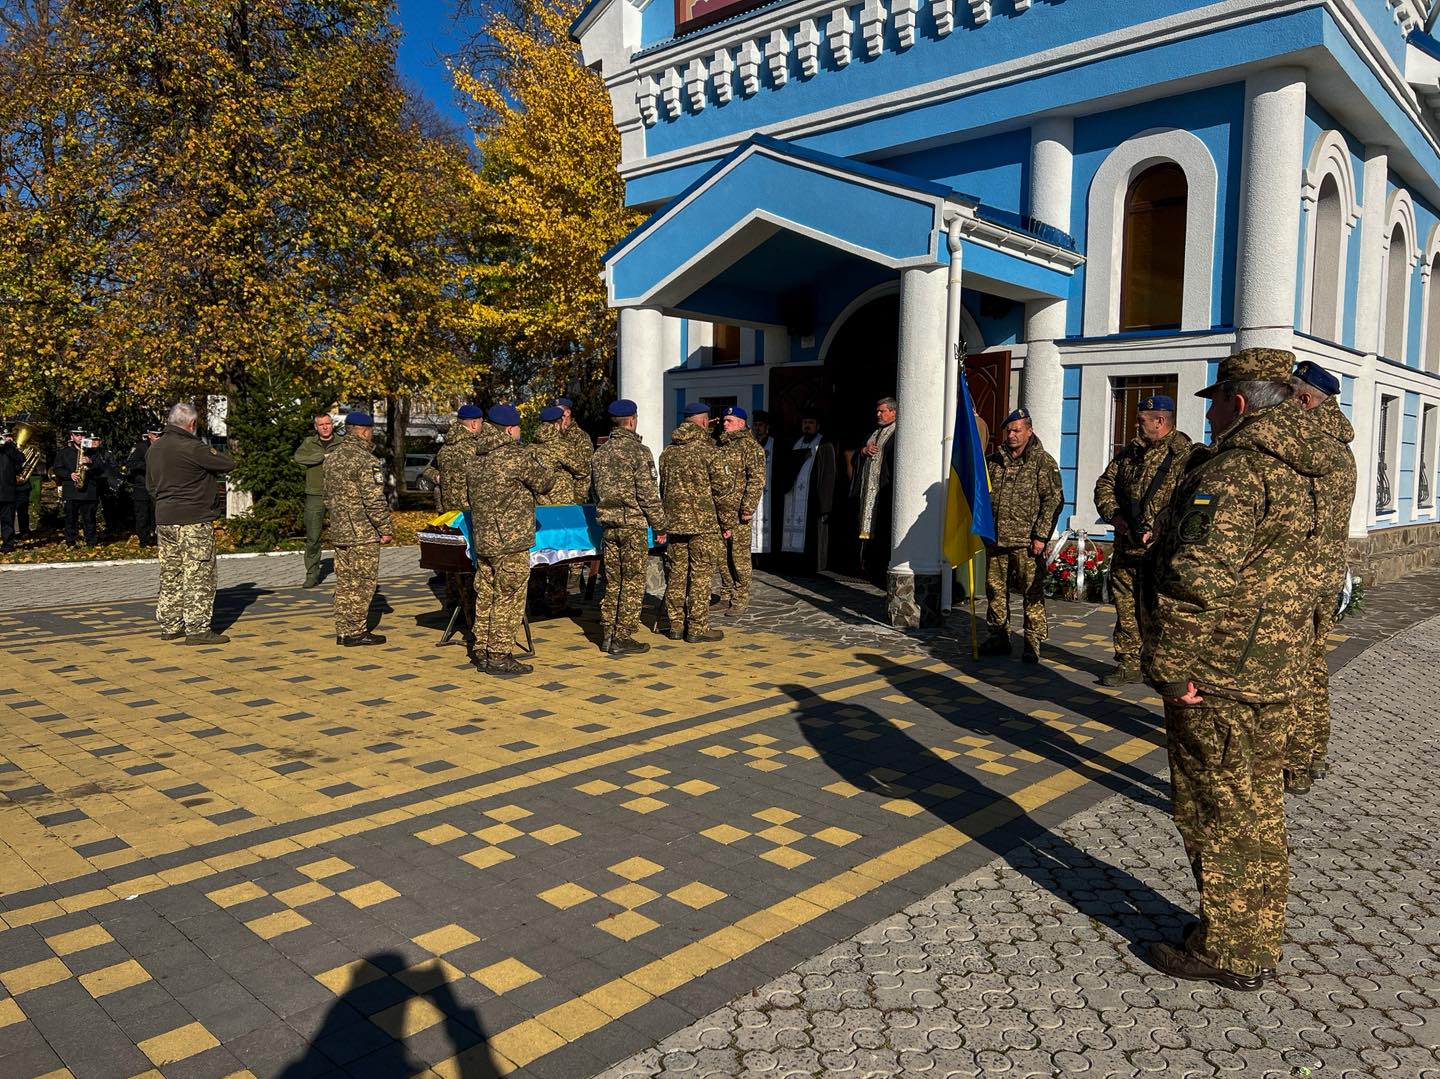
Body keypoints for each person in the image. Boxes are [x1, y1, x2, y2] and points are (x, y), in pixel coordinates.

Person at [1143, 347, 1335, 992]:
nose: (1213, 411)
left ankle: (1229, 949)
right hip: (1283, 665)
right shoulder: (1320, 465)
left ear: (1240, 401)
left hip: (1221, 673)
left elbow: (1198, 578)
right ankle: (1253, 938)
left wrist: (1170, 669)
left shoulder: (1236, 471)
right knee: (1258, 807)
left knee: (1214, 810)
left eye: (1216, 400)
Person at [1285, 361, 1357, 793]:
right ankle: (1313, 754)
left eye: (1289, 397)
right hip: (1320, 574)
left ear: (1306, 400)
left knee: (1295, 670)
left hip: (1302, 577)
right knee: (1311, 668)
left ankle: (1297, 762)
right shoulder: (1335, 442)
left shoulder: (1314, 446)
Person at [1092, 395, 1193, 686]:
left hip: (1161, 552)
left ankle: (1160, 667)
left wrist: (1165, 525)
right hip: (1127, 547)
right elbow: (1104, 485)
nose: (1136, 426)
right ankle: (1128, 663)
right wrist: (1115, 517)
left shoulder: (1185, 455)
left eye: (1141, 421)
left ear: (1160, 421)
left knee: (1159, 611)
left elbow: (1192, 501)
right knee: (1125, 607)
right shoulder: (1130, 453)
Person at [466, 404, 555, 675]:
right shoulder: (515, 456)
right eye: (518, 428)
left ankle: (481, 648)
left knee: (486, 593)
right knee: (509, 596)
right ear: (509, 429)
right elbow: (545, 483)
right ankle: (500, 654)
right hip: (511, 541)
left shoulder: (476, 457)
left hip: (484, 538)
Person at [147, 403, 237, 645]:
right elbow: (228, 463)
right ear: (192, 424)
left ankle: (170, 624)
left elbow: (151, 486)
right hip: (193, 520)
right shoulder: (193, 447)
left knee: (171, 572)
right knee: (199, 572)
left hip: (164, 519)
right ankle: (197, 629)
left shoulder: (155, 449)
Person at [980, 407, 1063, 663]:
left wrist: (1041, 535)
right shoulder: (994, 461)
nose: (1012, 435)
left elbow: (1053, 501)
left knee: (1031, 591)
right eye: (1008, 430)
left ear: (1029, 430)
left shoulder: (1042, 462)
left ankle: (1032, 641)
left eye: (1017, 430)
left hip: (1027, 542)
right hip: (997, 539)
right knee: (995, 590)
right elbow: (983, 496)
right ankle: (998, 635)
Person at [591, 399, 668, 655]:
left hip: (609, 526)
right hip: (632, 525)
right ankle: (622, 635)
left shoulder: (600, 453)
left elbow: (594, 491)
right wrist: (659, 525)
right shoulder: (639, 452)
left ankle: (608, 632)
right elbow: (648, 494)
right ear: (632, 421)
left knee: (613, 581)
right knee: (633, 581)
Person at [660, 403, 729, 643]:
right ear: (703, 422)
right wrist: (727, 522)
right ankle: (697, 628)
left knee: (677, 574)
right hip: (704, 525)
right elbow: (722, 491)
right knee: (701, 576)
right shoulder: (709, 451)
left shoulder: (668, 452)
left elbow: (663, 489)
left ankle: (676, 625)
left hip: (675, 524)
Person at [322, 412, 392, 646]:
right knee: (362, 583)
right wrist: (384, 527)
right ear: (364, 431)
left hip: (340, 529)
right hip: (362, 533)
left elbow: (326, 496)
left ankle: (343, 630)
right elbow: (373, 500)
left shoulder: (332, 457)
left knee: (344, 582)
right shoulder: (366, 460)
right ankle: (356, 631)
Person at [530, 405, 587, 615]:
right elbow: (582, 469)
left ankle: (535, 601)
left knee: (537, 554)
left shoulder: (530, 447)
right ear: (556, 424)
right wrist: (578, 497)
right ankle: (556, 603)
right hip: (560, 508)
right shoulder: (559, 446)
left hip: (536, 508)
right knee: (559, 556)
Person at [436, 404, 484, 627]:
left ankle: (453, 607)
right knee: (469, 567)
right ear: (474, 424)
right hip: (468, 512)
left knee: (453, 565)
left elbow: (432, 472)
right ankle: (470, 615)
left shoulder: (446, 448)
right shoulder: (472, 449)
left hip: (449, 513)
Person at [715, 405, 765, 614]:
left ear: (741, 424)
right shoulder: (720, 445)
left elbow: (756, 480)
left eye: (729, 421)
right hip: (719, 511)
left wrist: (748, 508)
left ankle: (740, 598)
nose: (725, 424)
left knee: (739, 557)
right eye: (724, 421)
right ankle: (725, 594)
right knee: (721, 555)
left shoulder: (751, 447)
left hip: (738, 513)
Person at [778, 411, 839, 575]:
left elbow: (828, 474)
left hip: (812, 497)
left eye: (811, 422)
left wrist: (825, 502)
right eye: (805, 422)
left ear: (817, 426)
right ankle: (793, 562)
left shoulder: (824, 445)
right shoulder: (795, 443)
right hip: (793, 494)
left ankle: (810, 566)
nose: (807, 425)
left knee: (811, 532)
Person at [293, 412, 345, 588]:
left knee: (343, 535)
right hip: (315, 494)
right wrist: (321, 458)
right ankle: (312, 574)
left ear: (332, 425)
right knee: (313, 536)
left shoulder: (342, 442)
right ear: (316, 427)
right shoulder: (309, 443)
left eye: (328, 424)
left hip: (339, 494)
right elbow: (299, 458)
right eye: (321, 424)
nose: (325, 427)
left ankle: (344, 572)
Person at [851, 397, 898, 584]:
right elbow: (858, 456)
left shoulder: (898, 433)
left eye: (882, 411)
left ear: (894, 412)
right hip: (868, 492)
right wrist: (863, 451)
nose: (878, 414)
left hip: (884, 492)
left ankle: (881, 570)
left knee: (883, 530)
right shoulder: (874, 433)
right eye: (877, 411)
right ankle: (868, 567)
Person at [54, 430, 105, 547]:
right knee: (70, 518)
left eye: (82, 435)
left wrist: (90, 462)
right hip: (71, 490)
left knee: (89, 518)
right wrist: (69, 475)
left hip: (89, 490)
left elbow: (101, 468)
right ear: (72, 437)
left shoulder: (93, 452)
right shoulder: (64, 452)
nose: (80, 437)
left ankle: (91, 542)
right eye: (77, 435)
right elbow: (57, 468)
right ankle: (71, 542)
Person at [126, 430, 161, 548]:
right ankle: (144, 540)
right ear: (149, 435)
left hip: (158, 486)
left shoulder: (164, 447)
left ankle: (156, 537)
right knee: (142, 514)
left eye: (160, 435)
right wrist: (146, 466)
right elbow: (130, 463)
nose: (158, 437)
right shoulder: (141, 447)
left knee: (156, 513)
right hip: (142, 485)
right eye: (156, 435)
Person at [556, 397, 594, 503]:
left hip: (574, 497)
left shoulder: (580, 437)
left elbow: (585, 469)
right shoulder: (553, 435)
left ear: (567, 413)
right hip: (553, 497)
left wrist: (577, 497)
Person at [751, 410, 774, 562]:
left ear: (767, 427)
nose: (758, 428)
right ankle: (753, 557)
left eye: (761, 425)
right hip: (754, 492)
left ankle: (768, 559)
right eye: (756, 425)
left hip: (770, 492)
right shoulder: (751, 444)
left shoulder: (774, 443)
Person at [0, 431, 25, 553]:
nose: (8, 438)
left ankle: (8, 545)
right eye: (5, 437)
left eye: (10, 436)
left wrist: (8, 446)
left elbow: (21, 460)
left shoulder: (12, 450)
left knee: (7, 521)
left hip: (7, 491)